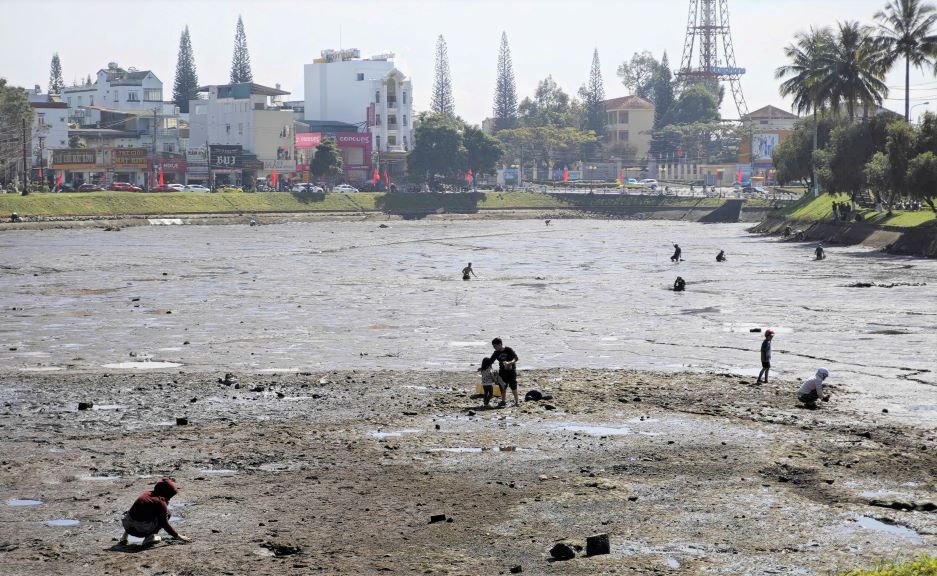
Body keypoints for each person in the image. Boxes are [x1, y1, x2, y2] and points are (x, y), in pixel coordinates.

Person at [119, 478, 189, 546]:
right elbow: (164, 523)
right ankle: (149, 537)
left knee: (135, 513)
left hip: (127, 526)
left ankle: (124, 537)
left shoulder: (146, 494)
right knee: (167, 514)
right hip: (139, 531)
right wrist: (178, 536)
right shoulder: (160, 502)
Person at [489, 338, 519, 407]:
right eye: (493, 346)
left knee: (513, 386)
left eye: (495, 346)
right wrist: (484, 367)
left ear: (500, 344)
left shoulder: (508, 350)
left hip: (511, 371)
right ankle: (503, 401)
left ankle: (517, 401)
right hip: (502, 371)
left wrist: (510, 362)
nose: (494, 348)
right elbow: (491, 361)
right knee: (502, 386)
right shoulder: (496, 353)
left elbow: (516, 358)